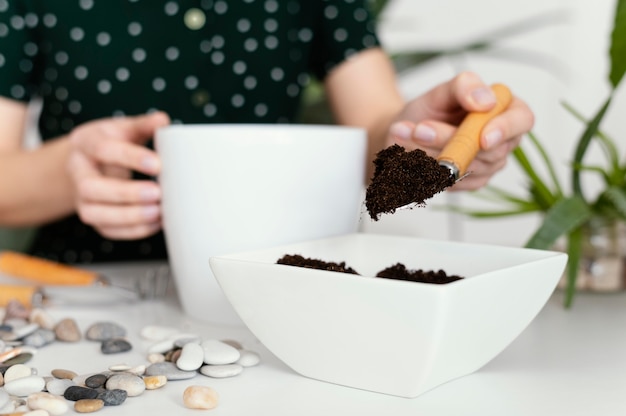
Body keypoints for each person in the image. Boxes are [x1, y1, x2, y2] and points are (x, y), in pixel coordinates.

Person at [0, 0, 533, 264]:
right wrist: (73, 170)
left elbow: (378, 135)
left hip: (279, 289)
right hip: (87, 291)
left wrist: (424, 140)